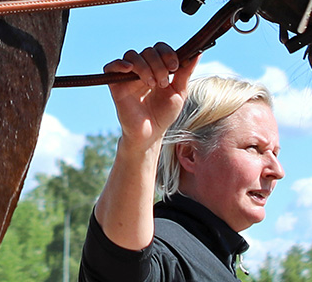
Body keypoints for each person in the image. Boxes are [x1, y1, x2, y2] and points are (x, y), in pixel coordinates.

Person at [79, 43, 284, 282]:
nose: (277, 171)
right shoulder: (166, 255)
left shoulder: (211, 257)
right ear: (189, 154)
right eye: (254, 148)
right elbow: (122, 268)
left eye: (275, 153)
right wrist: (141, 143)